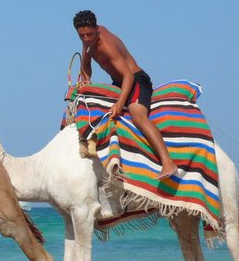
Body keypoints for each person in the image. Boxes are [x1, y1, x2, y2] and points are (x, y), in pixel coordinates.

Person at [73, 10, 179, 180]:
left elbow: (128, 75)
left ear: (96, 29)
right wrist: (86, 80)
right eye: (81, 36)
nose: (85, 39)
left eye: (89, 34)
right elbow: (86, 64)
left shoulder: (106, 44)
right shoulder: (88, 40)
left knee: (138, 116)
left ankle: (168, 162)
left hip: (136, 80)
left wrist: (119, 102)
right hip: (118, 82)